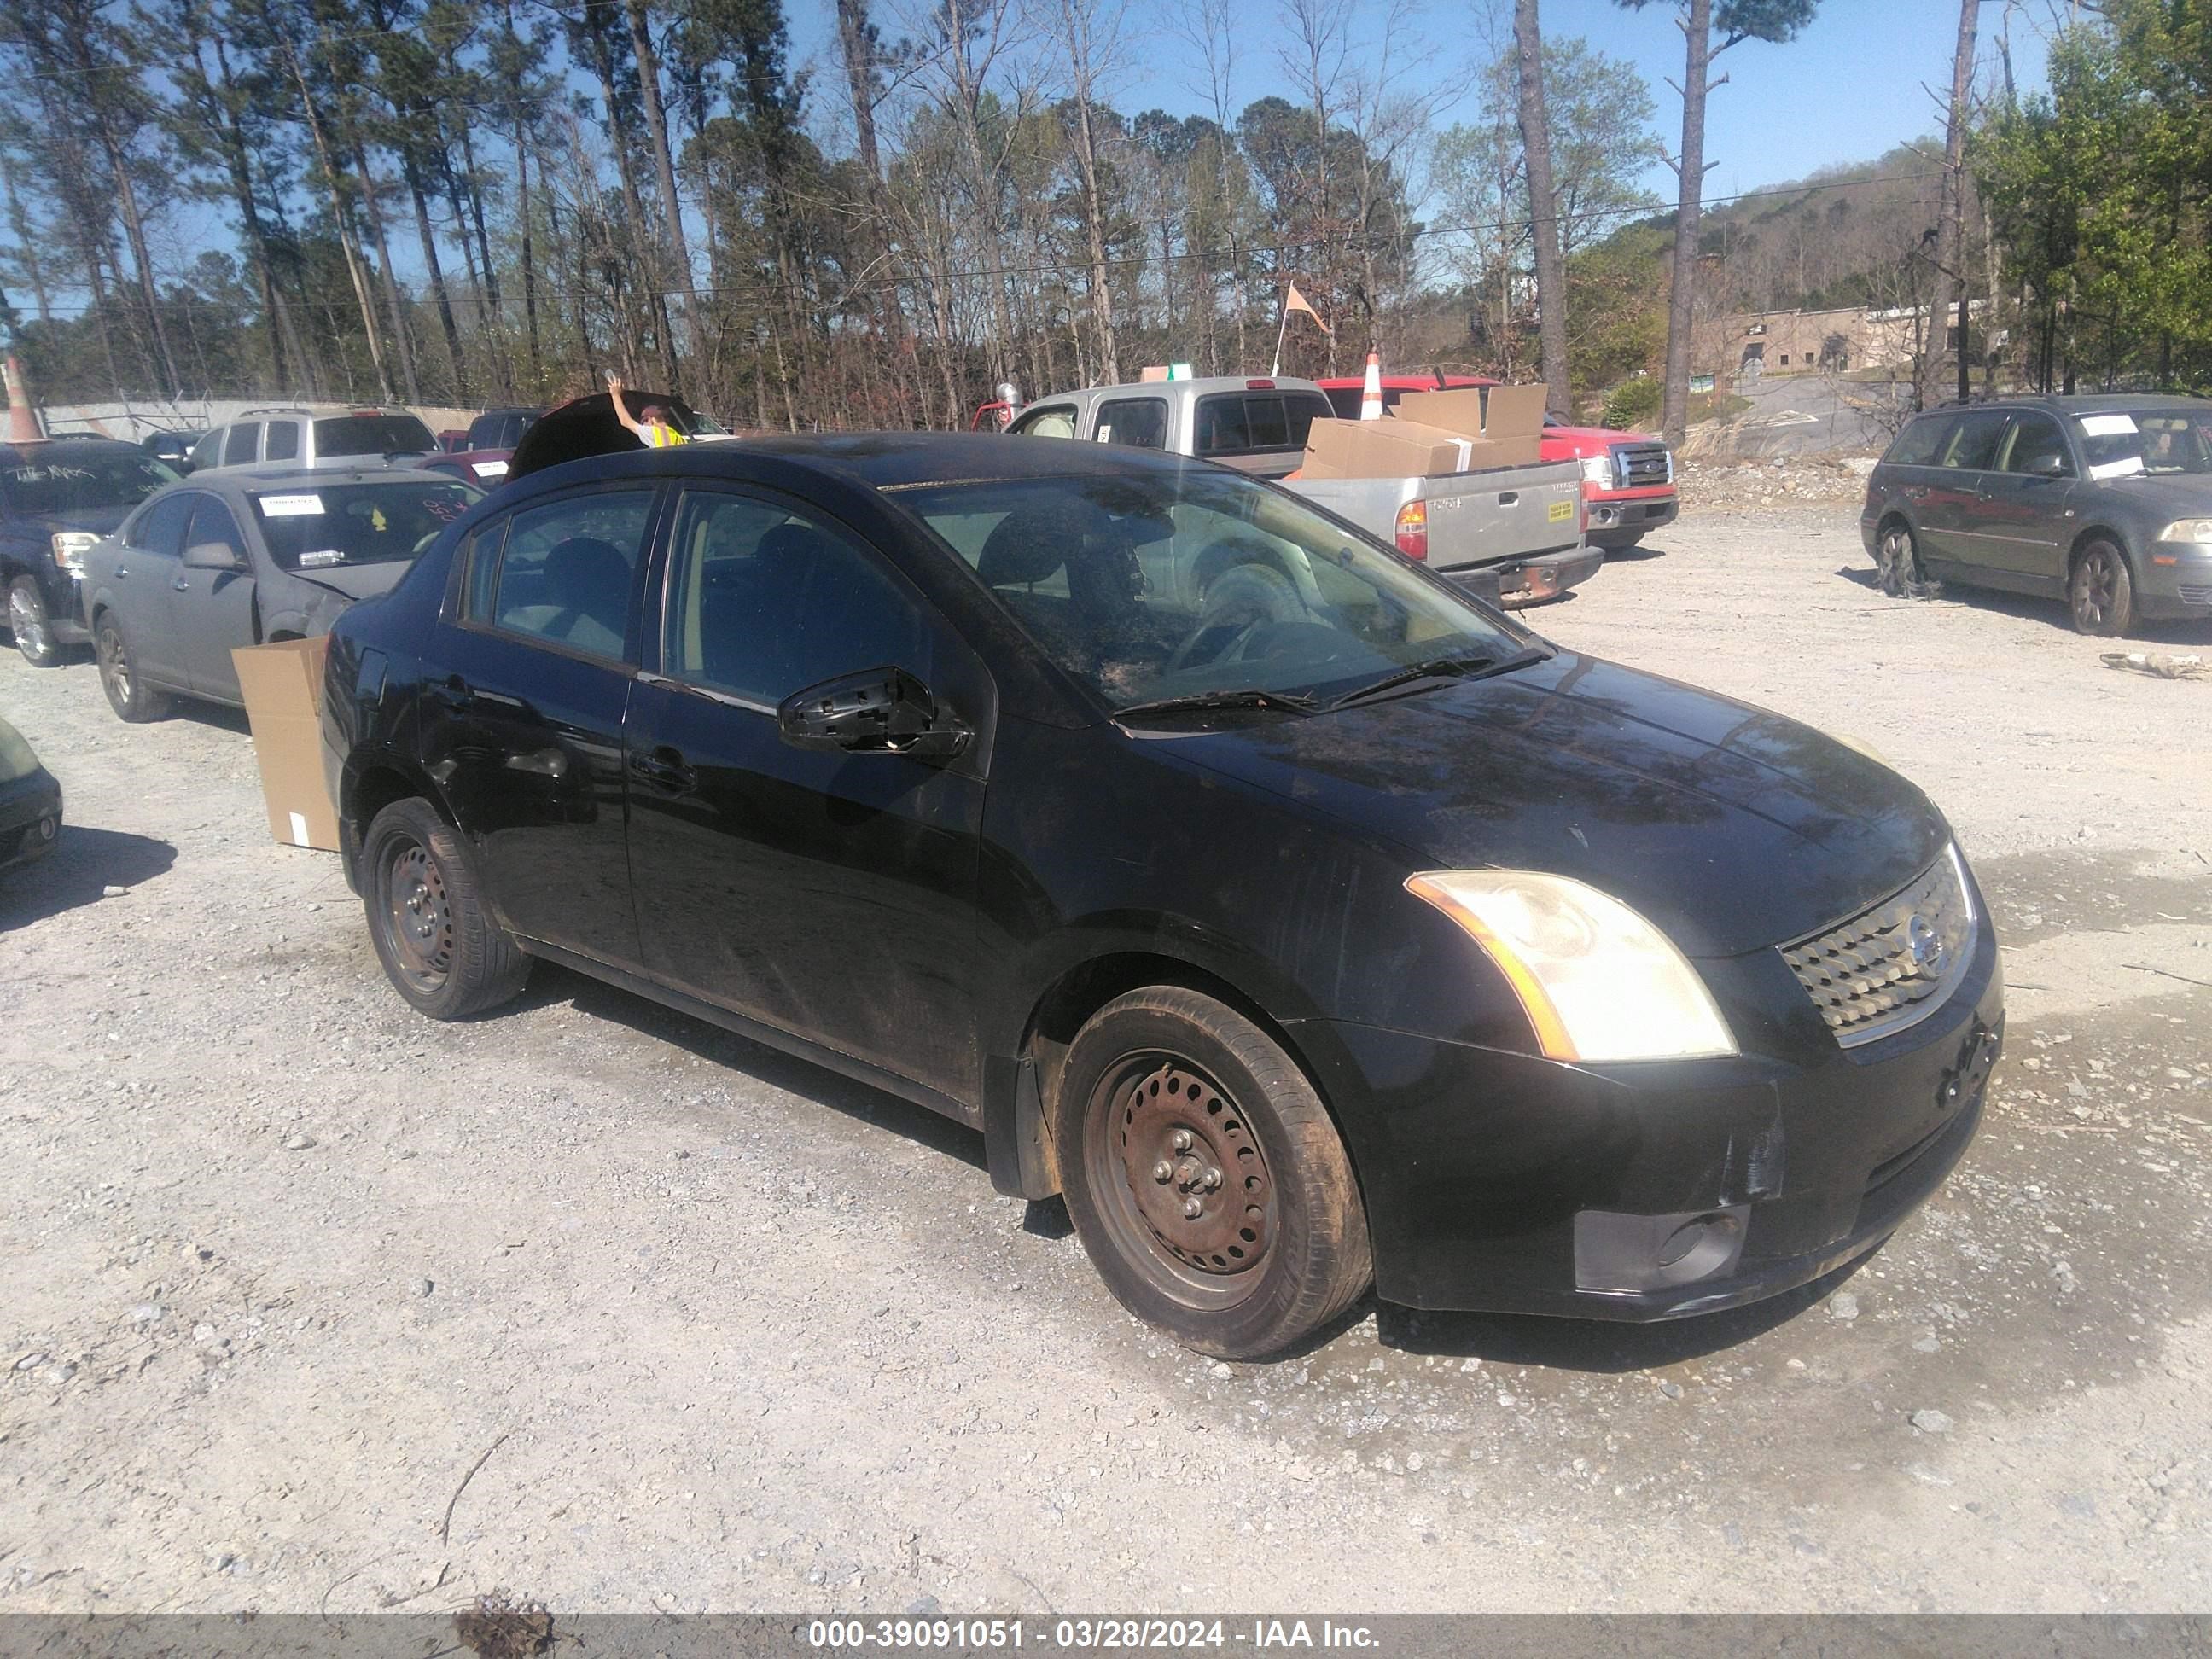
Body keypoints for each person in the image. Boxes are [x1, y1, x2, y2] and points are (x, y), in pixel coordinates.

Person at [606, 372, 686, 449]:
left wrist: (615, 395)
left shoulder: (654, 433)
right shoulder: (676, 436)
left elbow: (625, 421)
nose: (643, 425)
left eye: (643, 420)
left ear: (650, 420)